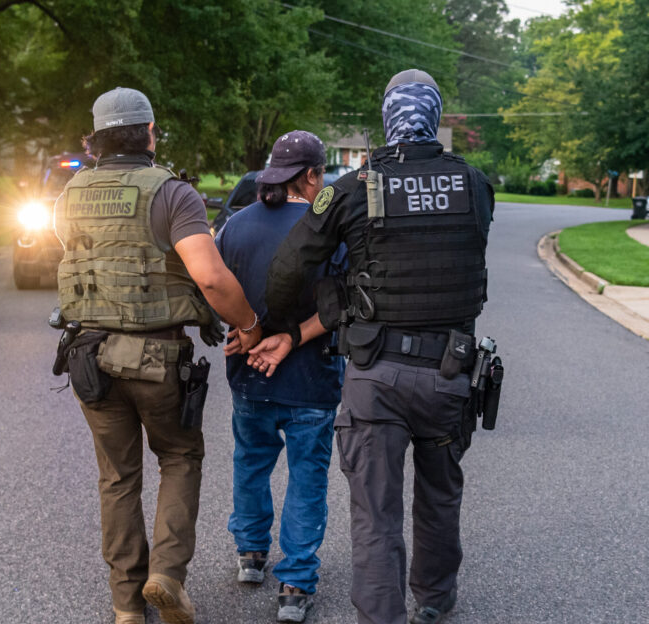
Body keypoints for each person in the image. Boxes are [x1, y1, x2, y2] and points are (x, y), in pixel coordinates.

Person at [263, 70, 494, 624]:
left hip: (376, 373)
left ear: (387, 119)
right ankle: (434, 600)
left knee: (375, 513)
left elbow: (287, 270)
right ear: (434, 117)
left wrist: (277, 324)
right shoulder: (474, 184)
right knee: (439, 496)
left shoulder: (350, 190)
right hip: (450, 372)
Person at [54, 87, 262, 624]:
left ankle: (125, 607)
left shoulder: (70, 194)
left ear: (96, 139)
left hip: (88, 357)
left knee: (117, 478)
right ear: (150, 133)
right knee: (178, 457)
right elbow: (211, 278)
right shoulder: (172, 193)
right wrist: (250, 326)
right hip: (157, 358)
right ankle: (165, 576)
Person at [213, 130, 345, 623]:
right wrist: (291, 336)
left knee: (251, 462)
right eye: (322, 176)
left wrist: (242, 329)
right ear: (311, 176)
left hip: (249, 374)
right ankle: (295, 584)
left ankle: (250, 554)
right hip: (312, 376)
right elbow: (342, 306)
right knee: (307, 479)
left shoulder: (236, 226)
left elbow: (210, 286)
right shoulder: (329, 229)